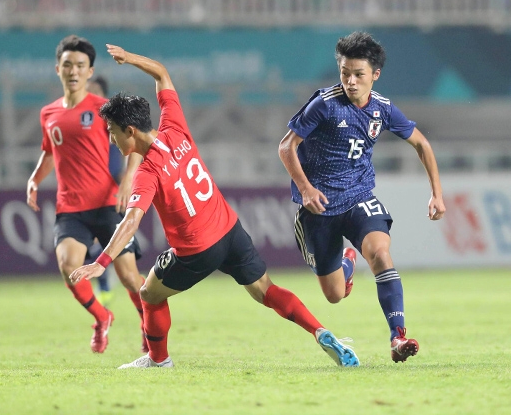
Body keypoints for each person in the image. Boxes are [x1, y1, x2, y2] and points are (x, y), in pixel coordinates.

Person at [70, 44, 360, 369]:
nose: (111, 139)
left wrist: (102, 261)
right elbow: (162, 73)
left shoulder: (147, 172)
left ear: (130, 131)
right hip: (230, 230)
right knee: (266, 290)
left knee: (149, 294)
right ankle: (319, 331)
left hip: (196, 250)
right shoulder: (174, 127)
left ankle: (159, 359)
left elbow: (132, 220)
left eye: (112, 132)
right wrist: (130, 58)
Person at [277, 31, 446, 363]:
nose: (351, 82)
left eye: (359, 75)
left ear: (375, 75)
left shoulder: (382, 109)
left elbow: (422, 144)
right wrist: (307, 189)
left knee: (381, 255)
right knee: (335, 295)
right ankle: (346, 265)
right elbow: (286, 146)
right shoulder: (324, 105)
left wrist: (437, 195)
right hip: (319, 208)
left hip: (357, 197)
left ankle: (398, 338)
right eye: (345, 73)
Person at [27, 35, 147, 354]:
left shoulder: (103, 109)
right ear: (58, 69)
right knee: (69, 266)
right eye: (68, 64)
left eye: (80, 65)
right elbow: (49, 152)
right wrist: (35, 179)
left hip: (107, 204)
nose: (74, 70)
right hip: (71, 209)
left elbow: (138, 142)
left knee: (130, 277)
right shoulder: (48, 113)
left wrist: (126, 181)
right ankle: (102, 316)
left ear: (90, 71)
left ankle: (147, 324)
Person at [85, 75, 124, 307]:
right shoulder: (84, 120)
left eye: (94, 91)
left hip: (111, 187)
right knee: (92, 242)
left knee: (109, 238)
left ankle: (108, 279)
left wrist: (126, 179)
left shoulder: (112, 120)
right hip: (88, 189)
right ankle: (105, 282)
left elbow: (127, 150)